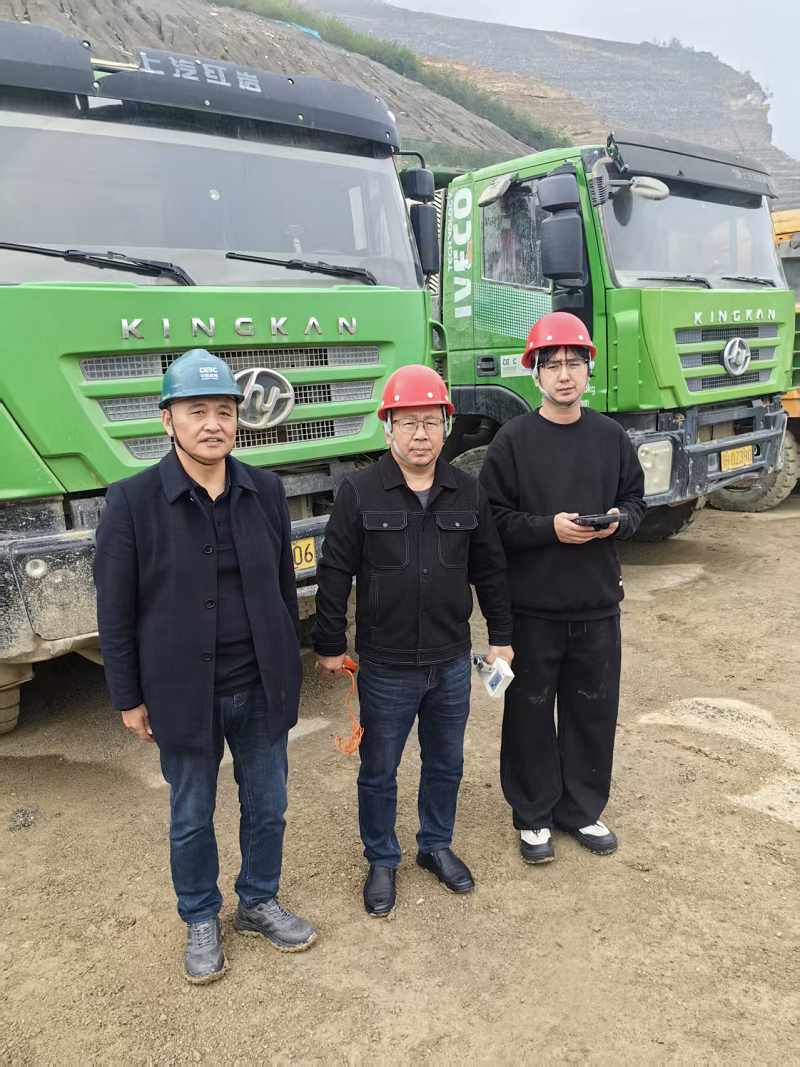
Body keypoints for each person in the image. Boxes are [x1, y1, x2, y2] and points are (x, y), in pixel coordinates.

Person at [94, 349, 315, 984]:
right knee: (191, 815)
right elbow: (115, 610)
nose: (213, 423)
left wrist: (288, 667)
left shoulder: (265, 490)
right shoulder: (133, 501)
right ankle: (199, 916)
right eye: (196, 411)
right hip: (182, 693)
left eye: (224, 411)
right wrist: (128, 696)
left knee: (268, 804)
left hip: (260, 685)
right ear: (168, 420)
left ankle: (258, 902)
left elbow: (283, 588)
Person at [312, 365, 513, 916]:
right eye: (408, 422)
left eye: (430, 421)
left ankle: (435, 845)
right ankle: (382, 859)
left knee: (445, 762)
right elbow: (335, 572)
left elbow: (490, 570)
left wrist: (501, 637)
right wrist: (329, 641)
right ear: (388, 428)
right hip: (386, 665)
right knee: (379, 770)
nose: (420, 434)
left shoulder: (467, 491)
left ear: (446, 426)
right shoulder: (359, 492)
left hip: (450, 661)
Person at [479, 313, 646, 864]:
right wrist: (548, 528)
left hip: (597, 604)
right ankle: (533, 816)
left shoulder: (610, 437)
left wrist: (621, 520)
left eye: (575, 363)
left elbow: (637, 502)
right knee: (529, 712)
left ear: (589, 369)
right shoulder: (513, 441)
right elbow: (494, 521)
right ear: (535, 373)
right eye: (552, 365)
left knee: (592, 710)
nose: (565, 374)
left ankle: (582, 810)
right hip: (534, 608)